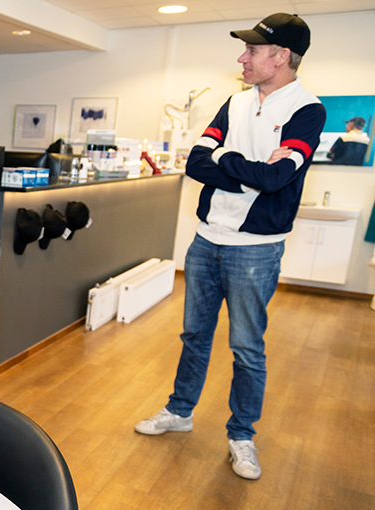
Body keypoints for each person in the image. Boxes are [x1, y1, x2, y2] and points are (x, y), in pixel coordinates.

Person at [134, 13, 325, 480]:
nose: (242, 57)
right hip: (206, 240)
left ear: (281, 57)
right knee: (194, 337)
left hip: (256, 250)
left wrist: (228, 159)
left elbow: (278, 178)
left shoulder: (308, 110)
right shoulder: (235, 102)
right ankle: (180, 411)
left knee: (246, 347)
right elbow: (197, 164)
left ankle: (242, 435)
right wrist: (245, 167)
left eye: (253, 51)